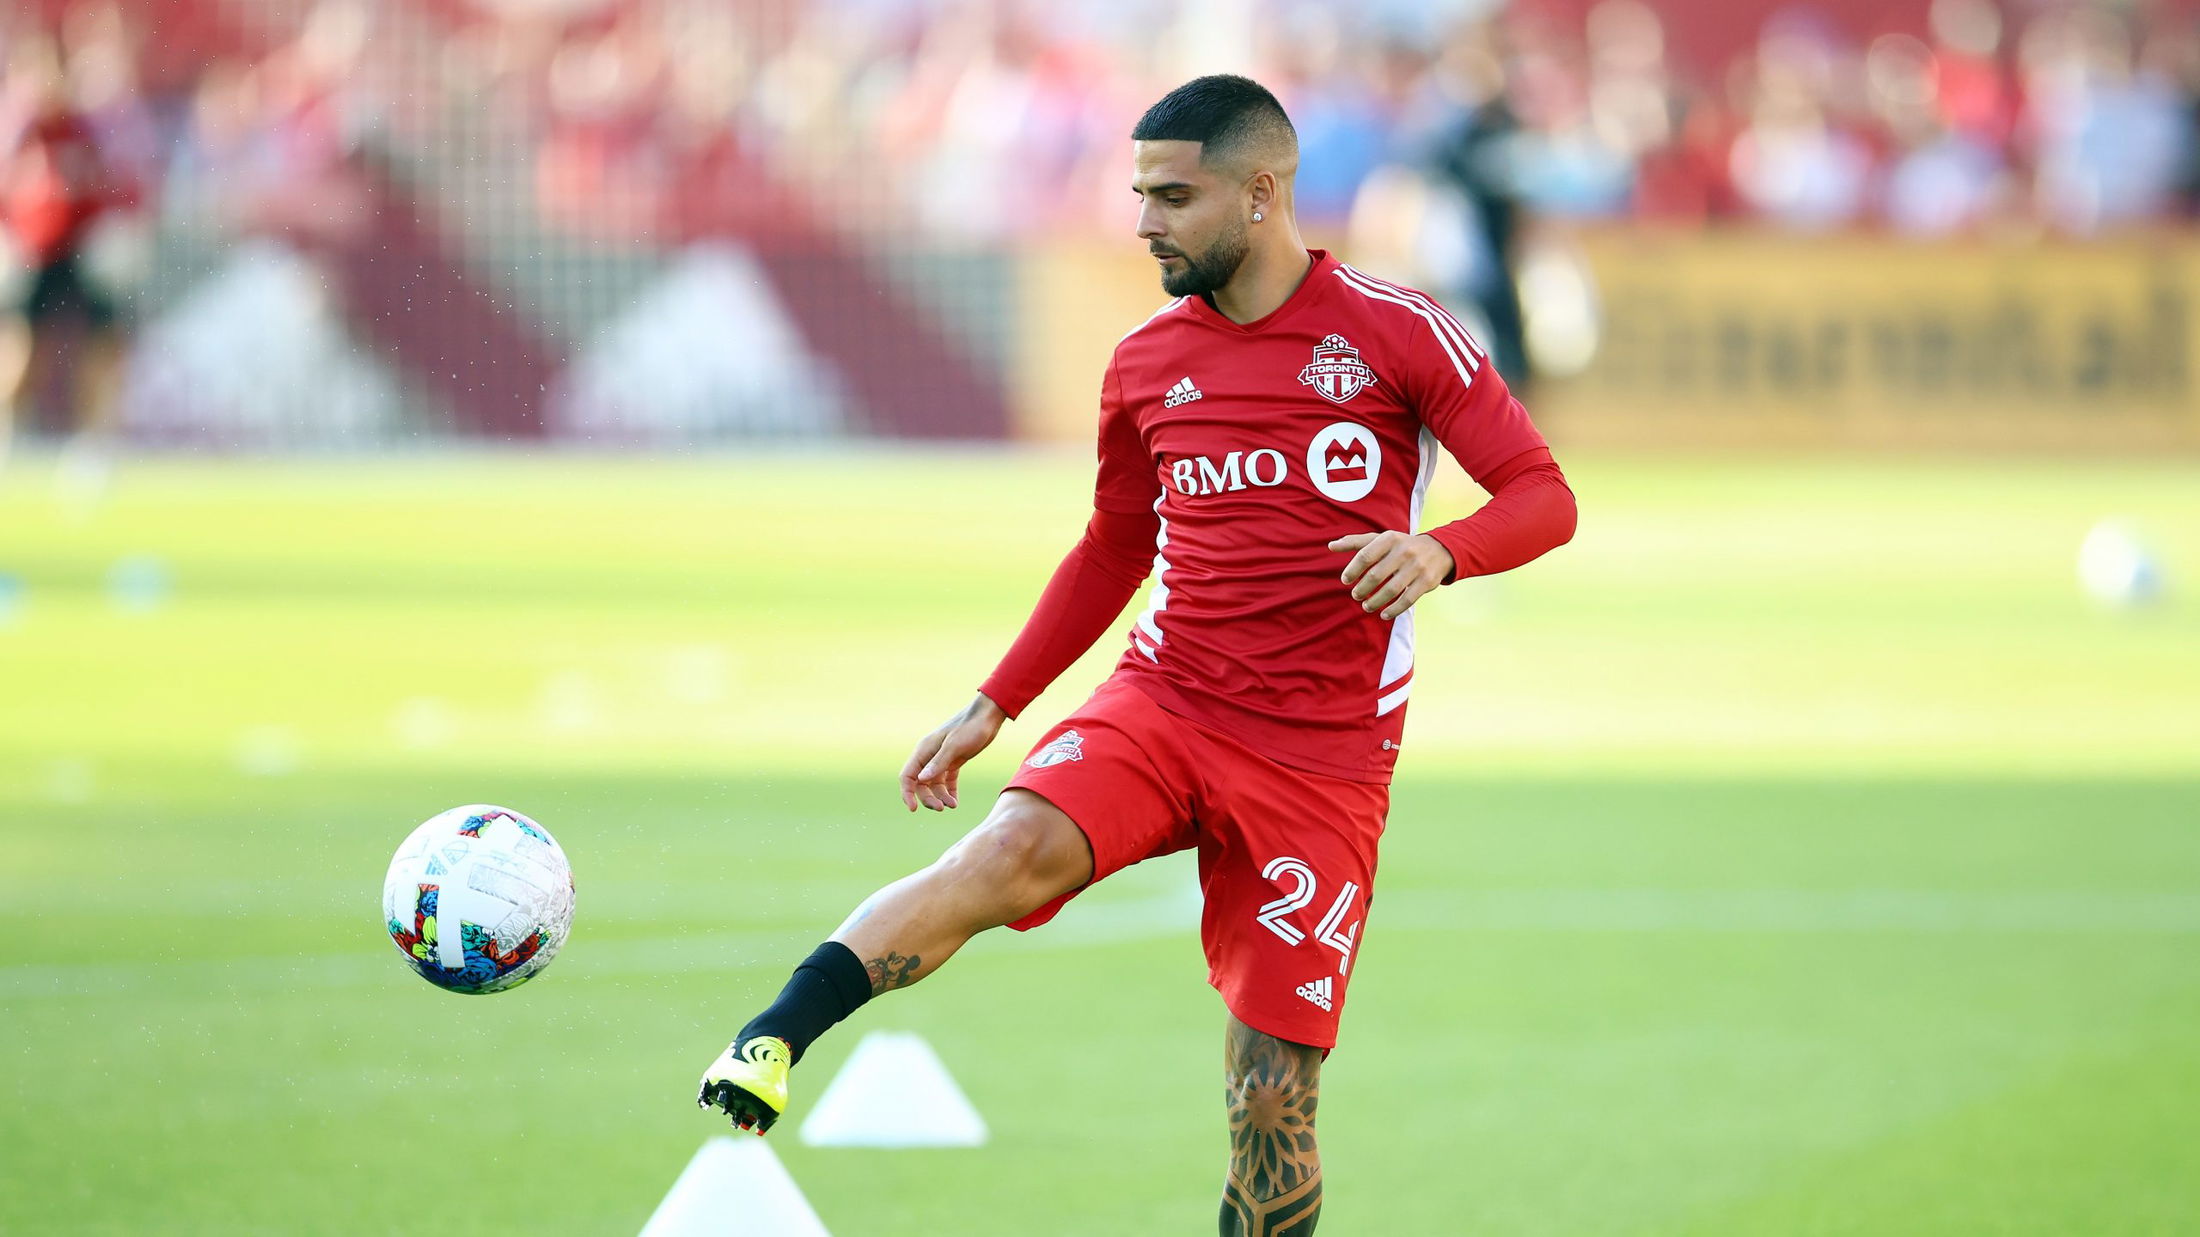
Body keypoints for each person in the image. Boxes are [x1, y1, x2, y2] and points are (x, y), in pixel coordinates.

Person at [698, 74, 1577, 1235]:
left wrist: (1439, 553)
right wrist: (995, 701)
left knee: (1272, 1104)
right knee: (1010, 846)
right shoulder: (1145, 362)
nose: (1145, 221)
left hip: (1323, 762)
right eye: (1138, 195)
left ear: (1261, 194)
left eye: (1172, 196)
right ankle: (775, 1035)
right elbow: (1113, 548)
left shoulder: (1394, 330)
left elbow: (1542, 495)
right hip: (1165, 705)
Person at [0, 33, 137, 483]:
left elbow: (111, 185)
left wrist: (110, 230)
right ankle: (9, 435)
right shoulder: (19, 131)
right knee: (20, 350)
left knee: (100, 346)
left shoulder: (83, 130)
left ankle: (93, 444)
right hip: (31, 251)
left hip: (79, 251)